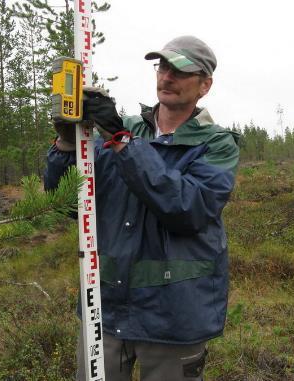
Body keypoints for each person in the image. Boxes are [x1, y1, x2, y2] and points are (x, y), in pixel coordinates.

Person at [44, 35, 239, 381]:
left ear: (205, 85)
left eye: (181, 71)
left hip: (174, 315)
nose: (167, 77)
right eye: (163, 66)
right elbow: (71, 203)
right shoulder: (125, 129)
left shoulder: (217, 144)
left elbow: (187, 208)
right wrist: (66, 142)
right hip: (106, 308)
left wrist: (120, 141)